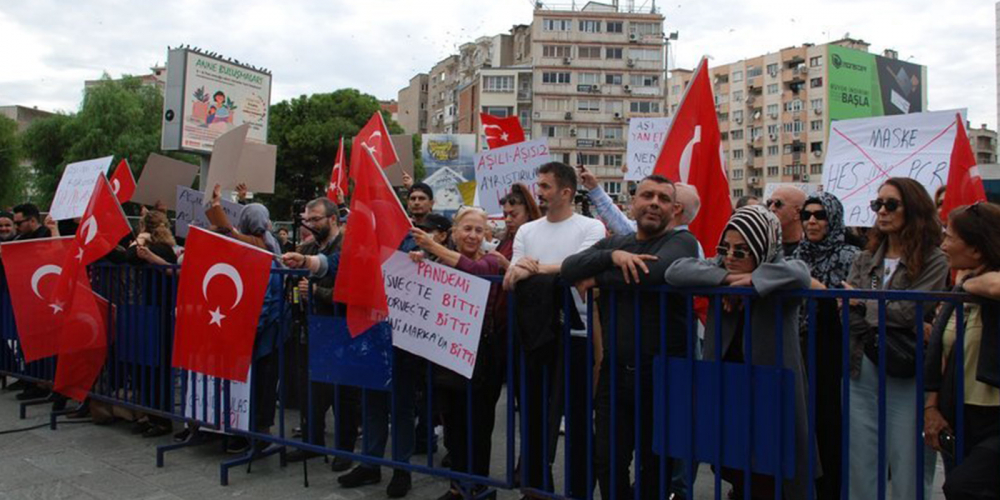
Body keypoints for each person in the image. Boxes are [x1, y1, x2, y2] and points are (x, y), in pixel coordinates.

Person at [562, 175, 699, 499]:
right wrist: (611, 258)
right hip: (615, 374)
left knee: (655, 468)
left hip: (662, 376)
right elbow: (570, 267)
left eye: (663, 199)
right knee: (608, 460)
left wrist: (597, 277)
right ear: (633, 202)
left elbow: (654, 272)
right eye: (647, 195)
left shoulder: (681, 241)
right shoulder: (616, 244)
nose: (654, 203)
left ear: (673, 209)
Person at [664, 205, 814, 500]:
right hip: (729, 386)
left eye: (741, 251)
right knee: (733, 466)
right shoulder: (721, 270)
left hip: (770, 390)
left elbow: (801, 274)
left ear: (761, 247)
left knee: (771, 473)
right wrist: (728, 280)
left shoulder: (780, 271)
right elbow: (675, 271)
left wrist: (756, 282)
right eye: (725, 248)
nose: (730, 257)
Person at [503, 161, 604, 498]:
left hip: (578, 337)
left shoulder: (591, 228)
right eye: (539, 185)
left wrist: (536, 269)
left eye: (545, 186)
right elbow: (511, 275)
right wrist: (544, 271)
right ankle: (535, 489)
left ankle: (577, 492)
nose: (539, 193)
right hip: (535, 336)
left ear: (566, 192)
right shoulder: (527, 231)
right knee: (532, 420)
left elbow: (582, 266)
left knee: (577, 422)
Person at [844, 177, 948, 500]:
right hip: (862, 362)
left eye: (891, 204)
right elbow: (847, 311)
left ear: (913, 209)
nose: (882, 211)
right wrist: (867, 308)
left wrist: (864, 305)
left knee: (909, 459)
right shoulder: (865, 257)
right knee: (861, 457)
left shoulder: (934, 259)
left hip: (906, 365)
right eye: (878, 204)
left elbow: (911, 311)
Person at [410, 206, 505, 500]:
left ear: (487, 235)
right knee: (452, 425)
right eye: (467, 229)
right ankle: (457, 486)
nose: (473, 235)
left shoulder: (492, 261)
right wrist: (419, 261)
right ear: (455, 232)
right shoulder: (440, 261)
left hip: (482, 357)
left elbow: (475, 270)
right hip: (447, 356)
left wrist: (431, 246)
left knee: (478, 425)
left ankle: (478, 486)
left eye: (479, 230)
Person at [924, 202, 1000, 499]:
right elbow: (940, 354)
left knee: (963, 486)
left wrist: (970, 283)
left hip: (996, 417)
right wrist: (932, 407)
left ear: (977, 249)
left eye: (950, 237)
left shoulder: (978, 287)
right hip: (960, 414)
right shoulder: (956, 293)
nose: (943, 245)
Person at [206, 186, 288, 454]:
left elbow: (230, 233)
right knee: (257, 381)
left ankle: (257, 433)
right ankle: (251, 431)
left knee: (261, 382)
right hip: (260, 327)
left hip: (262, 328)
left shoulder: (261, 247)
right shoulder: (263, 244)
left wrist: (218, 205)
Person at [791, 192, 859, 500]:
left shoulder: (850, 255)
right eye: (807, 215)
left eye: (820, 215)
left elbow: (854, 300)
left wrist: (823, 291)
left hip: (832, 348)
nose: (813, 221)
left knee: (829, 424)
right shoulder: (794, 256)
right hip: (798, 343)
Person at [284, 198, 358, 473]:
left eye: (316, 219)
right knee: (311, 389)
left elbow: (351, 290)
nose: (310, 224)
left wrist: (317, 293)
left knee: (343, 394)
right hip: (310, 326)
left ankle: (345, 449)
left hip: (339, 327)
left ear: (333, 220)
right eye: (308, 219)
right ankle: (312, 441)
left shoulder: (345, 246)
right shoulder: (310, 246)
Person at [766, 186, 807, 256]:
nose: (771, 208)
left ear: (797, 213)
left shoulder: (811, 252)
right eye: (769, 203)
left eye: (777, 204)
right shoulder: (764, 249)